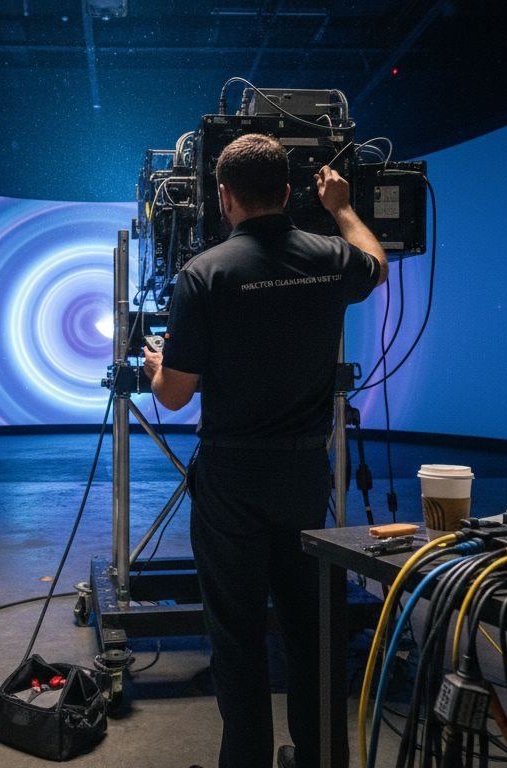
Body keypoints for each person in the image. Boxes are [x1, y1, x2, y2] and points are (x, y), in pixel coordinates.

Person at [143, 133, 388, 768]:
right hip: (304, 472)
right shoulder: (332, 257)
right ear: (287, 192)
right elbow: (377, 263)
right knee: (312, 634)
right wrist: (339, 206)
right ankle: (319, 758)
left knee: (237, 637)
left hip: (231, 478)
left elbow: (173, 397)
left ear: (223, 197)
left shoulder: (205, 274)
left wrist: (155, 365)